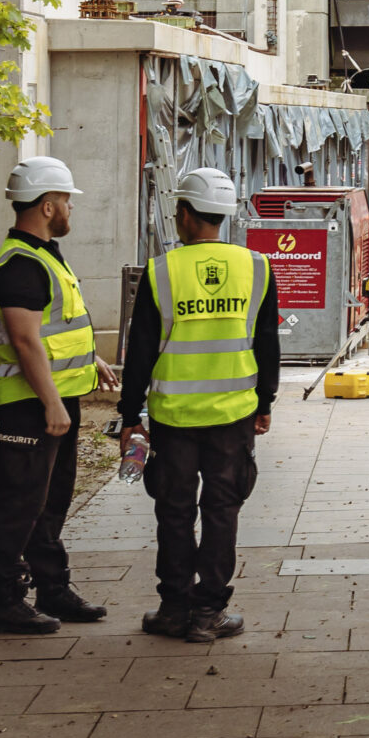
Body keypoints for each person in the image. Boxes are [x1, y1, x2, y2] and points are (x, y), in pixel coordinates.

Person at [118, 168, 278, 644]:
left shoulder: (161, 271)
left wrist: (130, 417)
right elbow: (266, 343)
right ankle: (208, 612)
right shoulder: (257, 268)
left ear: (185, 214)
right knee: (222, 511)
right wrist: (264, 402)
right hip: (234, 416)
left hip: (173, 418)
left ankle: (173, 608)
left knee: (174, 511)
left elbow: (140, 351)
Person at [0, 157, 121, 635]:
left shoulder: (45, 254)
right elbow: (25, 341)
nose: (68, 208)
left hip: (56, 400)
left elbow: (55, 331)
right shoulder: (20, 265)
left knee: (51, 499)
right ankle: (6, 602)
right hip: (31, 407)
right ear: (46, 205)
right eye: (64, 200)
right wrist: (51, 403)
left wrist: (90, 362)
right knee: (18, 503)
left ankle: (52, 588)